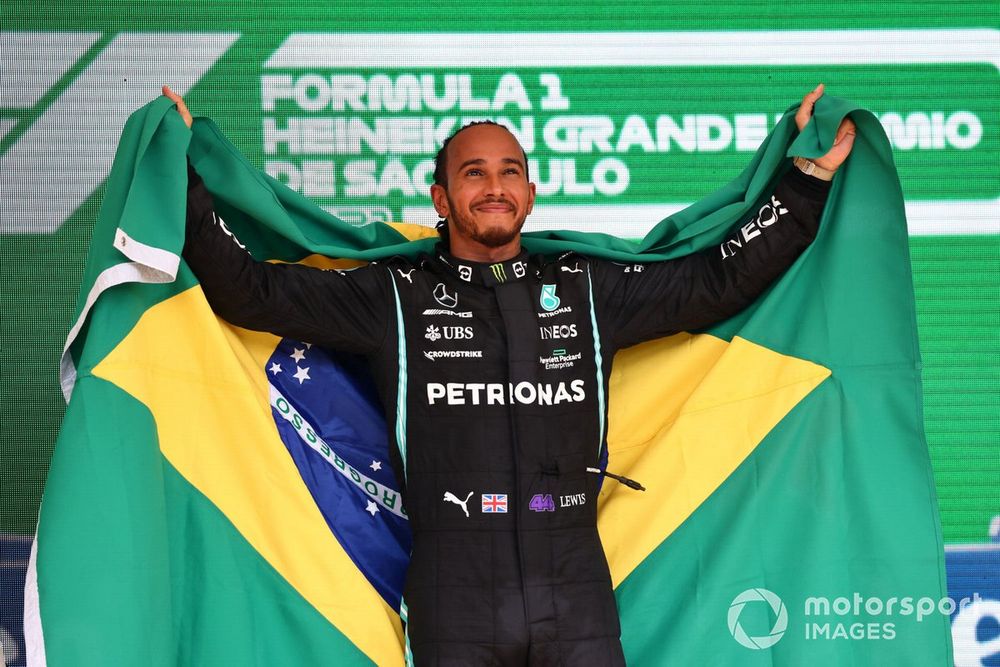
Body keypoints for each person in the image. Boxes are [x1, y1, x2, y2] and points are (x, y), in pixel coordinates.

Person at [164, 84, 855, 666]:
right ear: (441, 197)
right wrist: (183, 175)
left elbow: (718, 279)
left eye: (509, 171)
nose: (494, 186)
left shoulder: (588, 288)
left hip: (575, 586)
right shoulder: (391, 296)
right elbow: (250, 291)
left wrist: (807, 181)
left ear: (530, 191)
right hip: (453, 591)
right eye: (473, 173)